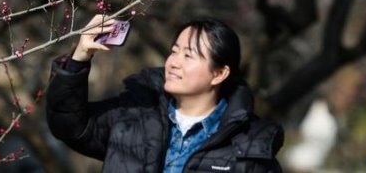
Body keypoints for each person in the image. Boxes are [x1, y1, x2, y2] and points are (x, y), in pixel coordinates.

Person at [46, 15, 284, 172]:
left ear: (219, 73)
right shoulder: (135, 114)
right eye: (174, 51)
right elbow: (70, 126)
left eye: (188, 55)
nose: (173, 62)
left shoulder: (250, 145)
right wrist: (79, 58)